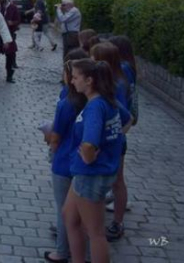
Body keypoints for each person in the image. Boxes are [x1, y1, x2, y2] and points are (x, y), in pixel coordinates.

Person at [63, 59, 131, 263]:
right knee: (70, 216)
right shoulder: (107, 100)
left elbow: (89, 143)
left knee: (95, 232)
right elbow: (127, 120)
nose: (72, 82)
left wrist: (89, 155)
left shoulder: (95, 107)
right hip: (90, 173)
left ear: (89, 80)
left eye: (75, 77)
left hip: (91, 174)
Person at [43, 52, 88, 263]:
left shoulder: (66, 103)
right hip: (83, 164)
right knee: (81, 210)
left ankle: (61, 251)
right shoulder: (93, 101)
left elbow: (56, 136)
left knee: (64, 210)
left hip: (63, 162)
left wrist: (51, 146)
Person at [90, 42, 135, 243]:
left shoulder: (116, 84)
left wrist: (116, 136)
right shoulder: (112, 80)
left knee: (116, 181)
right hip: (107, 140)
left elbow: (126, 117)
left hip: (111, 142)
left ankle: (117, 222)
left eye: (94, 58)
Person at [0, 0, 21, 84]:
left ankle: (9, 75)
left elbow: (18, 20)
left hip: (9, 34)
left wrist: (12, 23)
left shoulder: (13, 7)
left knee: (10, 54)